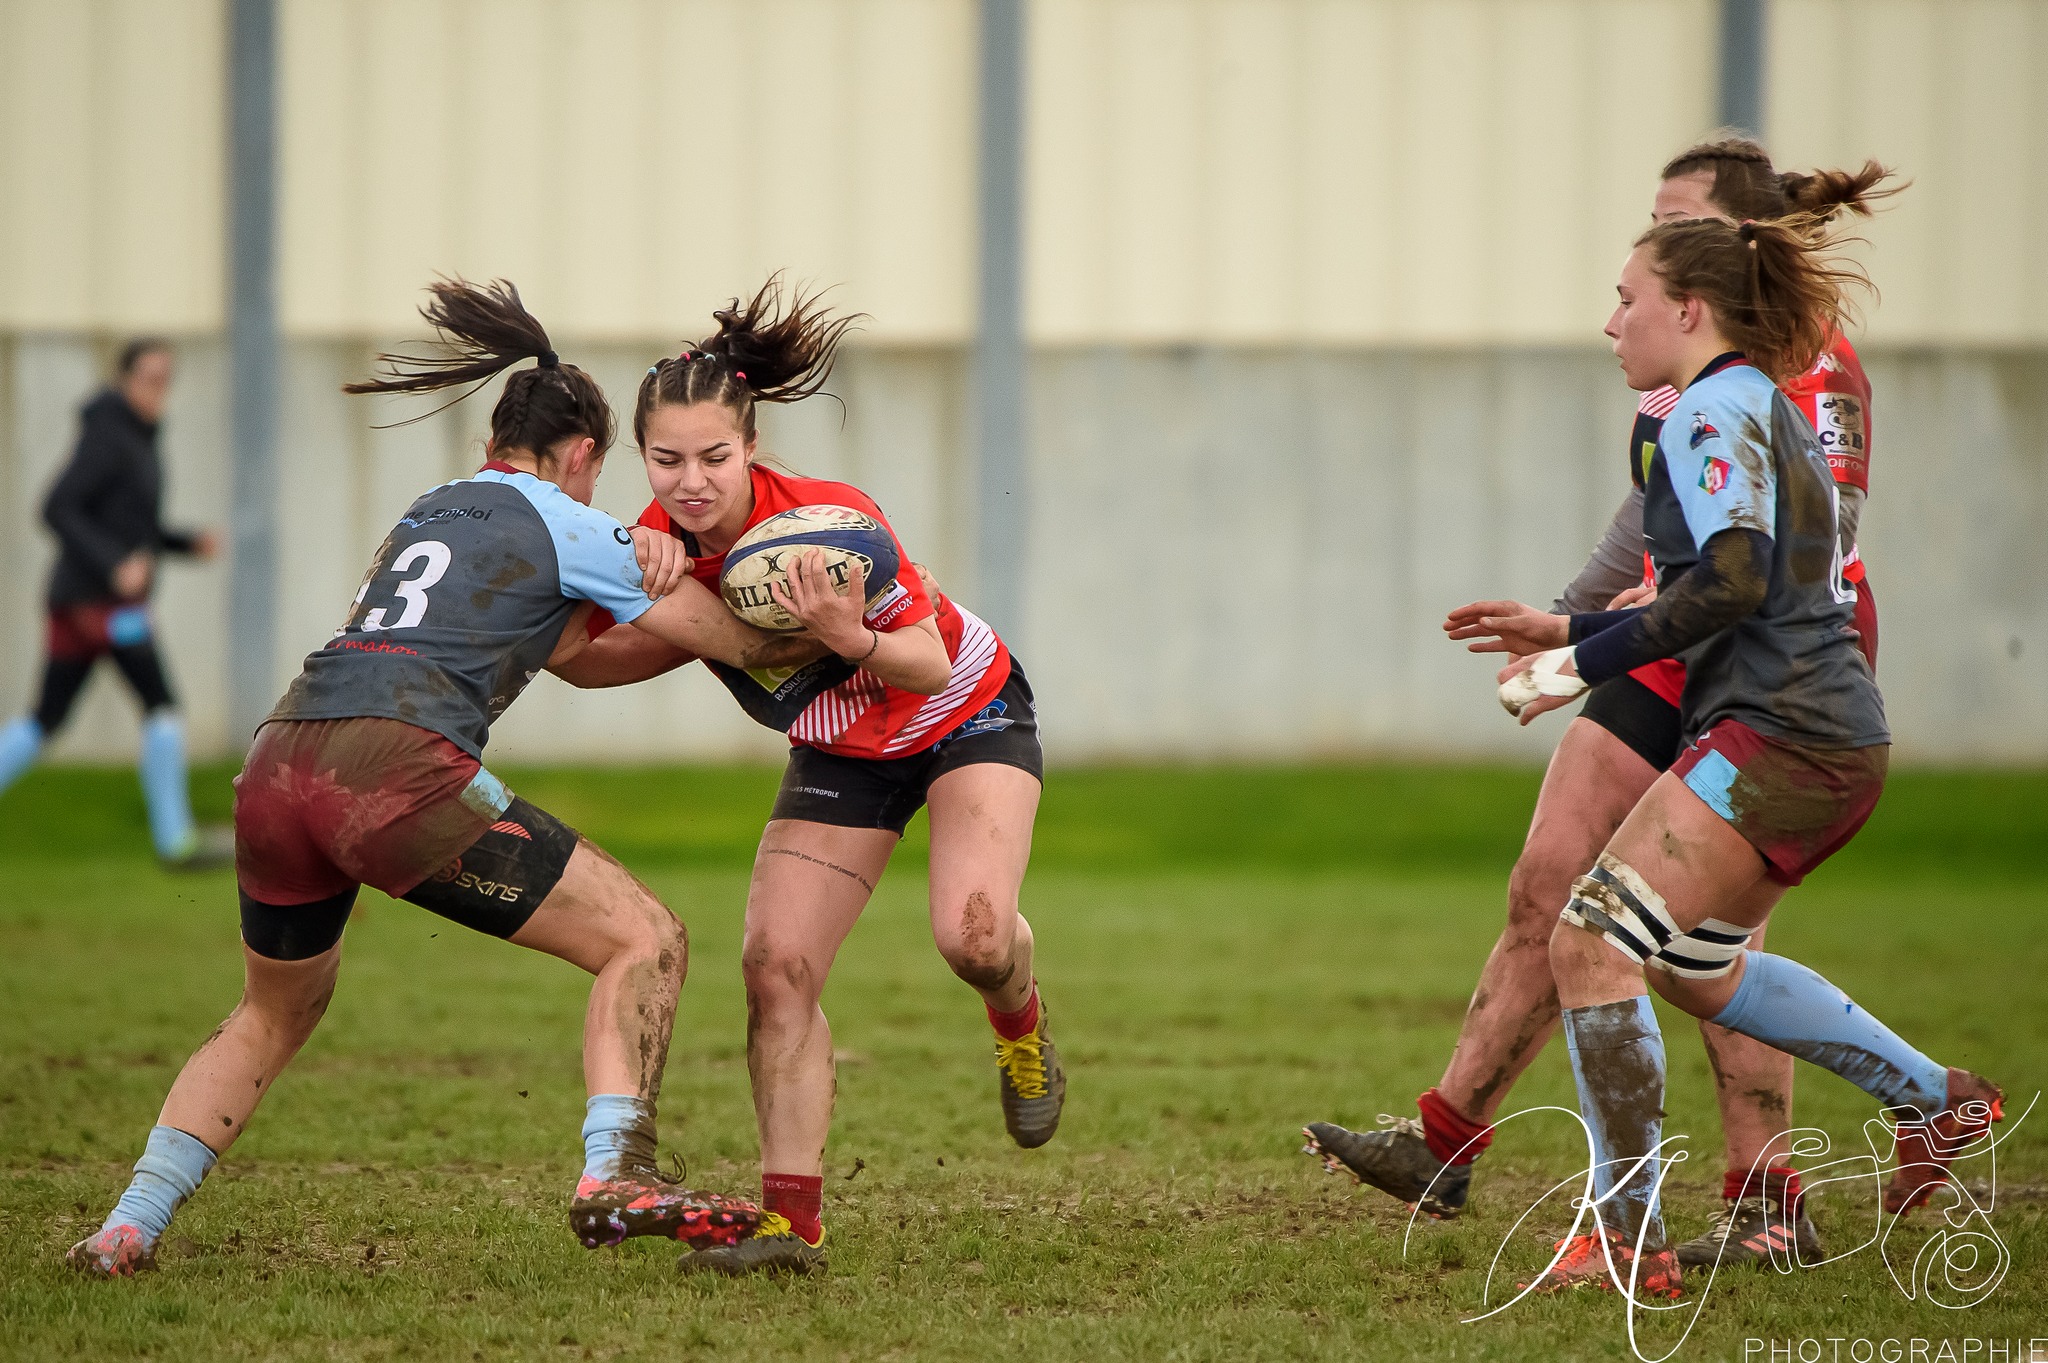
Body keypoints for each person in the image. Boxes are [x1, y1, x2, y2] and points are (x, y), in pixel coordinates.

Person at [66, 280, 822, 1277]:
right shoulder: (567, 517)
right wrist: (811, 605)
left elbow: (576, 657)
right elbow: (733, 638)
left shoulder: (430, 509)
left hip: (279, 758)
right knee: (646, 938)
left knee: (271, 1011)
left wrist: (660, 579)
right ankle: (613, 1174)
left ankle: (126, 1226)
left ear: (492, 443)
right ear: (585, 456)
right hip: (393, 765)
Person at [1303, 138, 1899, 1270]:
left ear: (1722, 256)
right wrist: (1570, 621)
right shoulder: (1687, 387)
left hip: (1758, 663)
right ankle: (1446, 1139)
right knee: (1550, 883)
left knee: (1690, 941)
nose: (1644, 250)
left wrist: (1606, 633)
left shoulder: (1805, 369)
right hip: (1663, 638)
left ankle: (1762, 1197)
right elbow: (1652, 514)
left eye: (1675, 223)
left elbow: (1806, 539)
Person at [1452, 213, 1999, 1298]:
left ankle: (1625, 1234)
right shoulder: (1749, 398)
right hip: (1817, 732)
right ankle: (1937, 1100)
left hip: (1781, 736)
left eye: (1626, 299)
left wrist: (1579, 660)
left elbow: (1734, 578)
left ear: (1687, 311)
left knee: (1588, 942)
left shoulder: (1710, 408)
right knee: (1689, 963)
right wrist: (1569, 634)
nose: (1609, 323)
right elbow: (1722, 578)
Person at [553, 280, 1064, 1276]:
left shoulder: (830, 523)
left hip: (961, 708)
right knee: (774, 968)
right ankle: (792, 1229)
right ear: (642, 456)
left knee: (975, 937)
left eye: (713, 457)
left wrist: (848, 633)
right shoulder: (658, 546)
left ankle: (1022, 1024)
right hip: (839, 750)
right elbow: (610, 659)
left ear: (749, 447)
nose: (690, 481)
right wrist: (567, 619)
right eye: (667, 459)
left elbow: (917, 658)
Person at [0, 339, 229, 867]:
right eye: (148, 376)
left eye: (166, 378)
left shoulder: (137, 438)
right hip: (100, 608)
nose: (158, 388)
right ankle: (176, 843)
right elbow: (56, 507)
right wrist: (113, 565)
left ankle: (176, 839)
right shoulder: (108, 436)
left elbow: (135, 528)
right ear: (124, 378)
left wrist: (186, 544)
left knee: (45, 719)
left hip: (79, 607)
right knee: (163, 707)